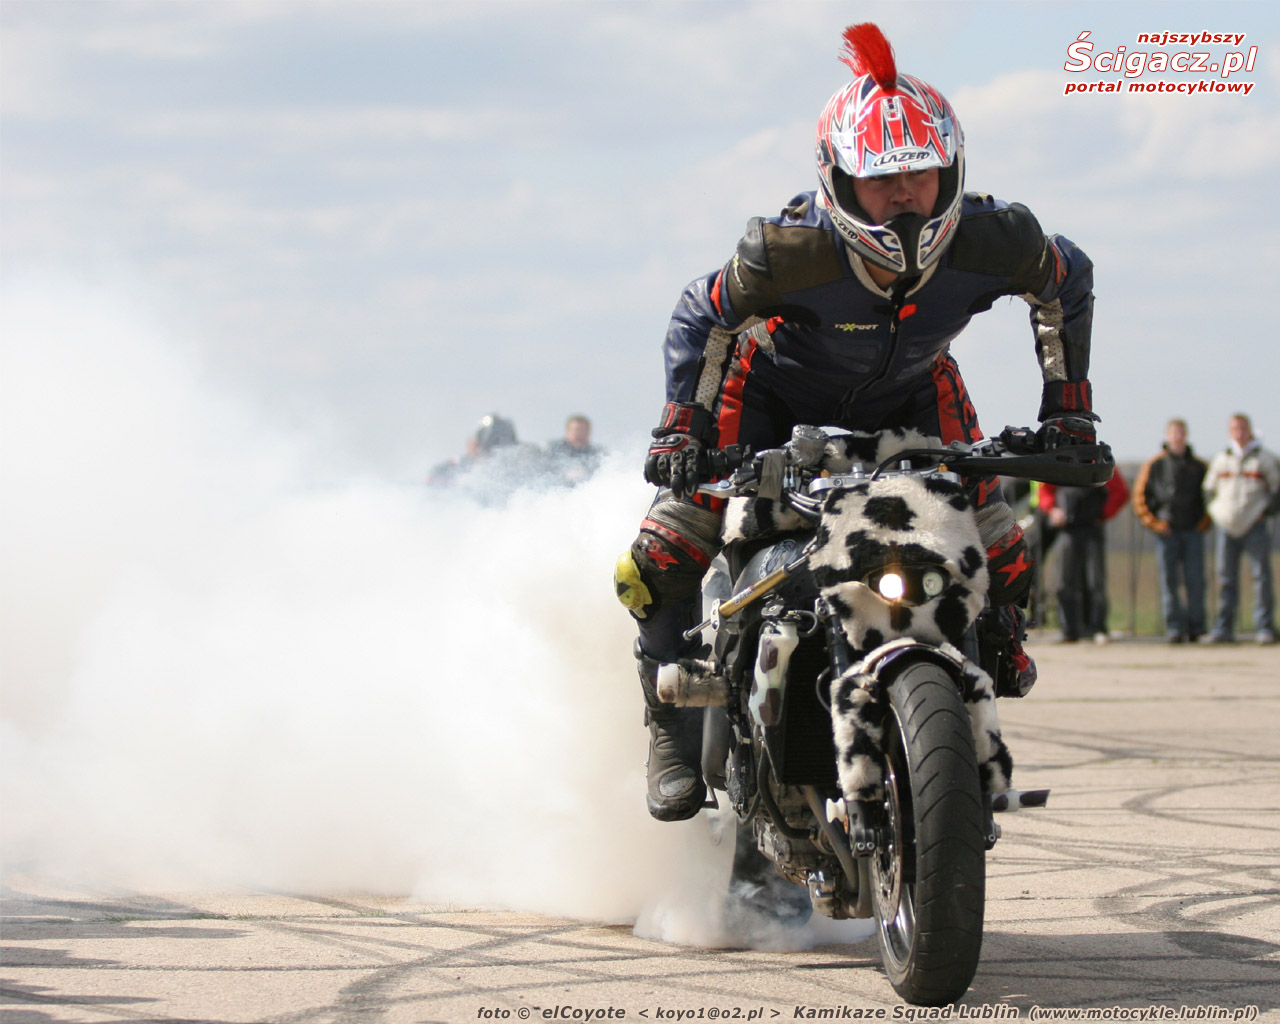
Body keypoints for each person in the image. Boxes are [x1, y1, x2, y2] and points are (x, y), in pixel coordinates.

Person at [612, 23, 1098, 822]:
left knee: (1003, 548)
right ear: (838, 179)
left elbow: (1066, 280)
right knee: (660, 552)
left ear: (952, 171)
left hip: (914, 391)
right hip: (765, 393)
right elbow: (704, 312)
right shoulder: (786, 249)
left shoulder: (997, 238)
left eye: (920, 174)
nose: (904, 194)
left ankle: (985, 654)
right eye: (881, 179)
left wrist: (1068, 408)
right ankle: (669, 726)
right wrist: (680, 429)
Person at [1203, 414, 1280, 644]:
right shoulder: (1221, 459)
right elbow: (1208, 489)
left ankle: (1265, 627)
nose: (1239, 433)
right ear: (1230, 431)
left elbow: (1276, 489)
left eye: (1242, 428)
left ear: (1249, 431)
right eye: (1234, 428)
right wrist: (1216, 512)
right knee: (1225, 578)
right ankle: (1224, 628)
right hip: (1226, 526)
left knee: (1261, 576)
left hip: (1254, 525)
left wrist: (1264, 512)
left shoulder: (1264, 458)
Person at [1132, 419, 1210, 643]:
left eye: (1181, 432)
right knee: (1169, 582)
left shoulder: (1199, 466)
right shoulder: (1154, 464)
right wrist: (1156, 523)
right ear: (1167, 435)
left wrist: (1202, 524)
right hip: (1167, 532)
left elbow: (1211, 498)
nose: (1177, 436)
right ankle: (1174, 627)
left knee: (1196, 581)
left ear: (1186, 435)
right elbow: (1140, 498)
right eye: (1174, 433)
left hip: (1193, 531)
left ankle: (1197, 628)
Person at [1038, 471, 1128, 644]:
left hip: (1092, 528)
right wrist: (1052, 510)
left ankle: (1097, 628)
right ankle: (1068, 630)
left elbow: (1120, 493)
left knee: (1095, 581)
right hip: (1067, 530)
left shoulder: (1099, 462)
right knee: (1065, 581)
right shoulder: (1061, 464)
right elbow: (1045, 492)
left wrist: (1104, 513)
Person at [546, 414, 604, 485]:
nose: (579, 434)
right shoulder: (554, 450)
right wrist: (564, 474)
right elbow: (545, 470)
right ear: (567, 432)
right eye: (576, 430)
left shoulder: (597, 454)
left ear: (589, 433)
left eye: (583, 430)